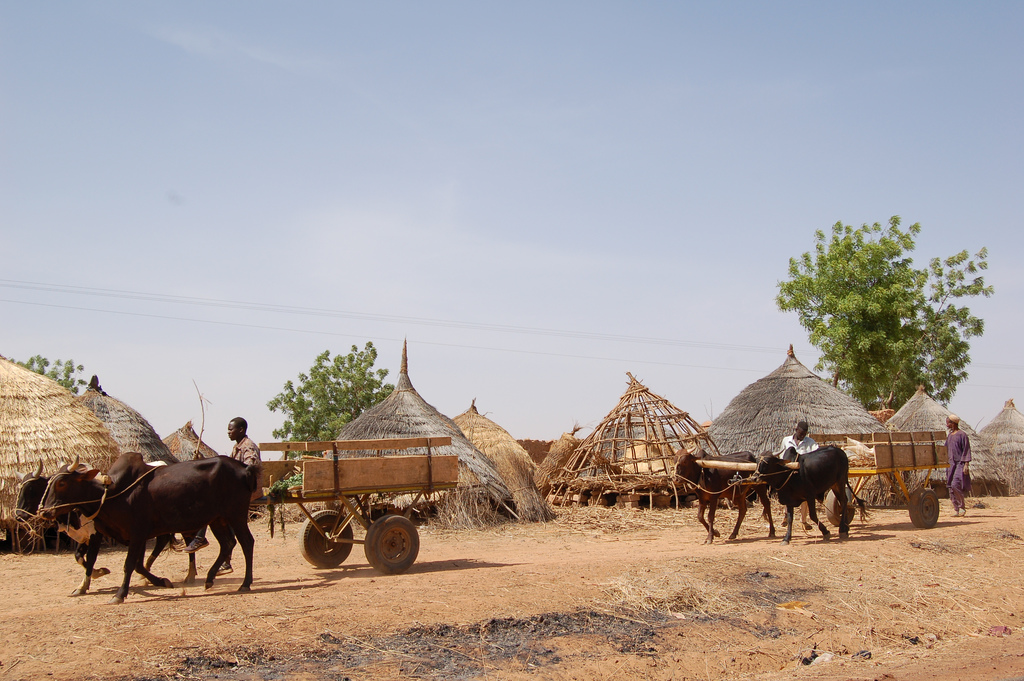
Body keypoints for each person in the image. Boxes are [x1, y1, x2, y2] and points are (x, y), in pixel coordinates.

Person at [184, 417, 262, 573]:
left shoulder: (249, 447)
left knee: (212, 506)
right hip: (236, 491)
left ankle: (200, 538)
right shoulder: (237, 447)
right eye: (228, 429)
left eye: (230, 429)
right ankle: (225, 561)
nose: (228, 432)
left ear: (241, 430)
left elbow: (251, 468)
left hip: (247, 490)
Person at [946, 414, 972, 517]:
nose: (947, 424)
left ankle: (962, 507)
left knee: (955, 484)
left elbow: (966, 450)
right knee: (950, 487)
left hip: (959, 463)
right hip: (950, 464)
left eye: (948, 422)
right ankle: (956, 509)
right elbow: (945, 449)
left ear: (953, 423)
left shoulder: (962, 435)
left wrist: (966, 464)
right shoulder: (949, 435)